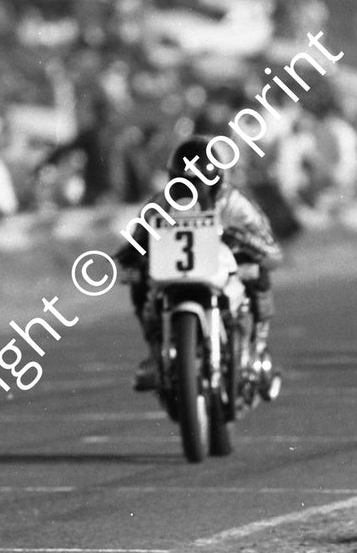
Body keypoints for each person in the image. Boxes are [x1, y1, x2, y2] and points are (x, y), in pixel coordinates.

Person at [115, 135, 283, 398]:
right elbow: (135, 240)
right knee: (137, 279)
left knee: (256, 271)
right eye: (184, 184)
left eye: (199, 182)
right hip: (172, 274)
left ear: (216, 180)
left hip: (221, 268)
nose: (192, 190)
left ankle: (257, 348)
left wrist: (242, 239)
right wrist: (130, 255)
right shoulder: (160, 203)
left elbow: (271, 250)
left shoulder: (234, 202)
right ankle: (154, 348)